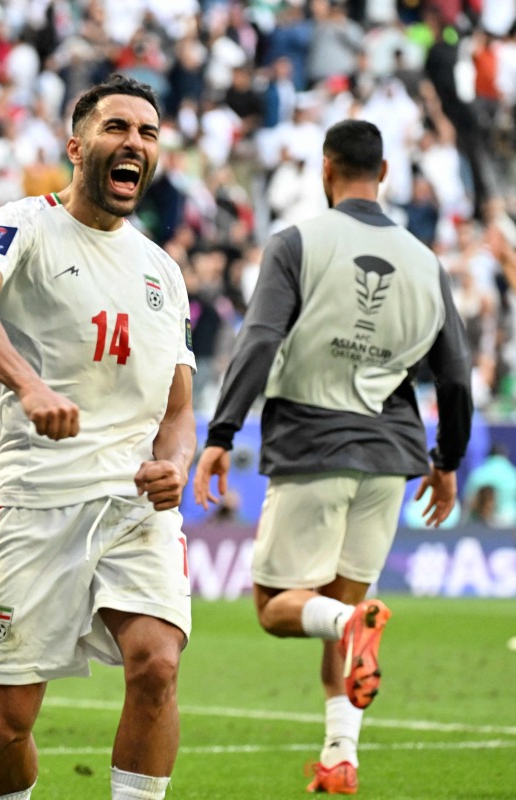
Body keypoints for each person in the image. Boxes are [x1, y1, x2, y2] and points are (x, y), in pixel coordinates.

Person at [193, 119, 472, 795]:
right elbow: (457, 376)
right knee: (343, 615)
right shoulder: (424, 261)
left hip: (315, 443)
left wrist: (221, 434)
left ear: (326, 169)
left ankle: (351, 622)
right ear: (383, 174)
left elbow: (258, 340)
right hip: (391, 458)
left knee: (276, 607)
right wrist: (447, 458)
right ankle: (340, 758)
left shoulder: (297, 242)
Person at [0, 74, 196, 800]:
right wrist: (28, 382)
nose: (134, 144)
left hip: (134, 507)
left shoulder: (162, 271)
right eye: (118, 128)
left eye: (148, 133)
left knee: (157, 664)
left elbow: (178, 407)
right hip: (38, 504)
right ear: (77, 146)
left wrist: (174, 463)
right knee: (5, 723)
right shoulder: (22, 223)